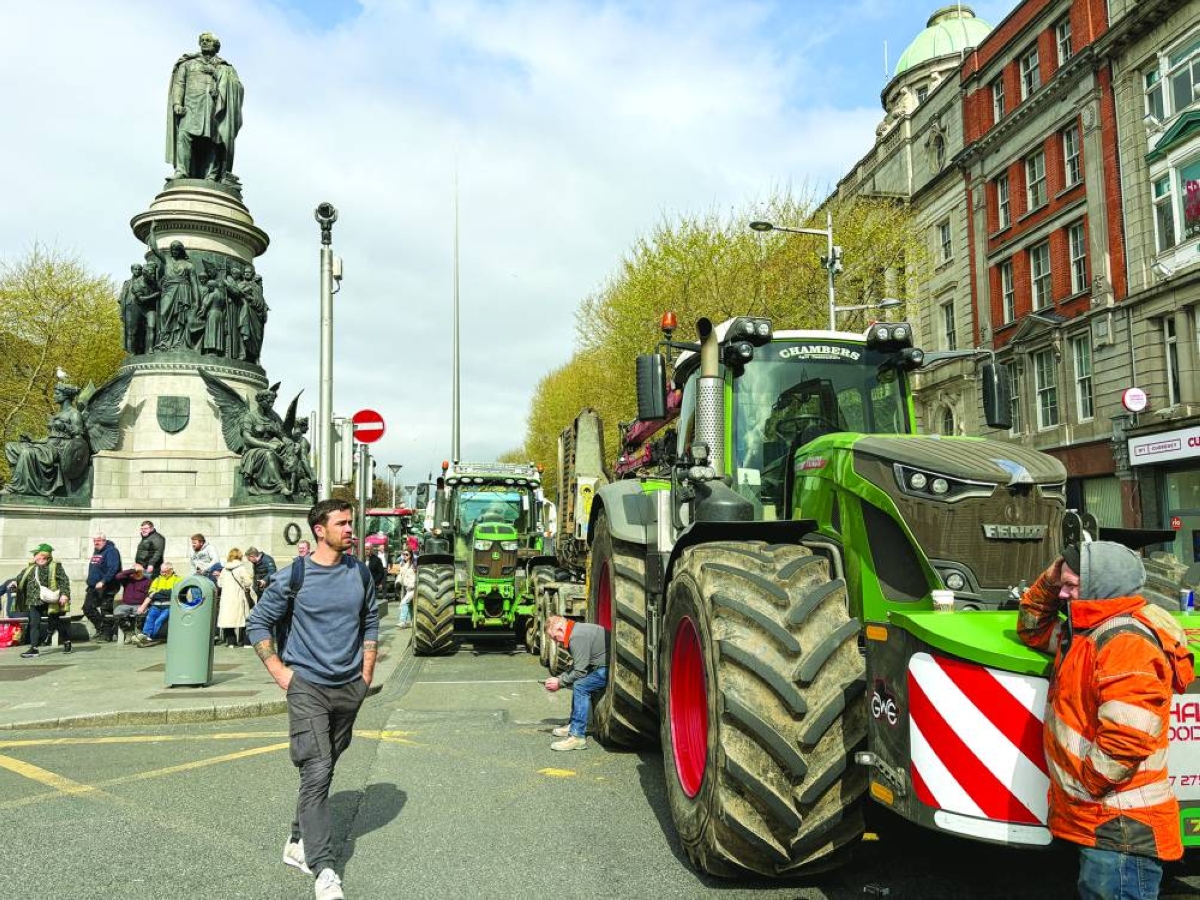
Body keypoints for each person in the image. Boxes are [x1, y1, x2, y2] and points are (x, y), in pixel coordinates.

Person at [1019, 542, 1195, 900]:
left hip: (1119, 828)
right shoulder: (1088, 632)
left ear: (1103, 587)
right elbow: (1032, 628)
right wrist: (1051, 580)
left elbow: (1128, 737)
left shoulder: (1124, 642)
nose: (1063, 594)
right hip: (1106, 823)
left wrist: (1086, 789)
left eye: (1071, 586)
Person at [247, 499, 378, 900]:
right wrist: (281, 673)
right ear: (319, 530)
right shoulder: (295, 576)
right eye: (341, 523)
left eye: (350, 523)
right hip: (308, 687)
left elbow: (370, 619)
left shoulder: (359, 572)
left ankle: (296, 840)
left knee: (324, 768)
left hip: (349, 687)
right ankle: (324, 869)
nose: (350, 529)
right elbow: (258, 622)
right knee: (318, 767)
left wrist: (367, 671)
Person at [542, 615, 609, 751]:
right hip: (602, 666)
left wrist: (559, 683)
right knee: (579, 683)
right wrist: (561, 678)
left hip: (608, 669)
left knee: (580, 686)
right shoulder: (576, 631)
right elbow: (579, 665)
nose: (557, 642)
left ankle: (577, 736)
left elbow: (580, 672)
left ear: (560, 629)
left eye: (555, 637)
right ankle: (575, 724)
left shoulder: (576, 637)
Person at [3, 544, 72, 657]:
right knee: (34, 623)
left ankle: (66, 641)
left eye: (40, 556)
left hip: (50, 601)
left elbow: (64, 581)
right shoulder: (31, 568)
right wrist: (15, 583)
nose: (38, 558)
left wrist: (65, 595)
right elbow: (20, 578)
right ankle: (34, 648)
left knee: (55, 622)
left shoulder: (55, 566)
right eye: (36, 556)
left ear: (47, 556)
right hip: (34, 601)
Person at [83, 532, 122, 642]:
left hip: (107, 586)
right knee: (88, 608)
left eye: (99, 540)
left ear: (104, 540)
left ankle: (107, 634)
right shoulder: (97, 551)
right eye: (94, 540)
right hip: (93, 586)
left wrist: (103, 581)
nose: (96, 542)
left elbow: (113, 568)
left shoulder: (111, 551)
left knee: (106, 609)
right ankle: (102, 628)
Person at [131, 563, 181, 647]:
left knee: (159, 621)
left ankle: (148, 637)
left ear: (171, 570)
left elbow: (173, 593)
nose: (163, 574)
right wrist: (161, 593)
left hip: (169, 606)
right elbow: (150, 593)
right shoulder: (157, 580)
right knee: (149, 618)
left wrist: (158, 593)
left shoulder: (178, 579)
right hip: (155, 605)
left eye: (165, 572)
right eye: (161, 572)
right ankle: (145, 635)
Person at [217, 549, 255, 648]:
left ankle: (231, 642)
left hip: (226, 598)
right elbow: (248, 582)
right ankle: (246, 642)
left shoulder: (225, 569)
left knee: (228, 620)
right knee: (244, 619)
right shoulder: (241, 568)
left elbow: (220, 583)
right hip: (238, 597)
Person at [113, 565, 152, 642]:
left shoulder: (147, 581)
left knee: (143, 612)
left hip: (140, 605)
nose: (136, 573)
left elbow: (149, 595)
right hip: (126, 604)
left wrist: (143, 606)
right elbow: (118, 576)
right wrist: (133, 570)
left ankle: (139, 634)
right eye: (135, 571)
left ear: (142, 572)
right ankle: (129, 634)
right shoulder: (127, 580)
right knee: (117, 612)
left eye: (138, 571)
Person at [395, 549, 416, 628]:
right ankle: (412, 621)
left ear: (410, 555)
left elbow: (417, 576)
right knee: (410, 605)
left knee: (404, 603)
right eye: (403, 554)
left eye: (407, 554)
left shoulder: (414, 564)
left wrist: (413, 584)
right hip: (406, 588)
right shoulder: (402, 564)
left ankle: (402, 621)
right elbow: (400, 575)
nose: (405, 556)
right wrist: (397, 582)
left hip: (413, 588)